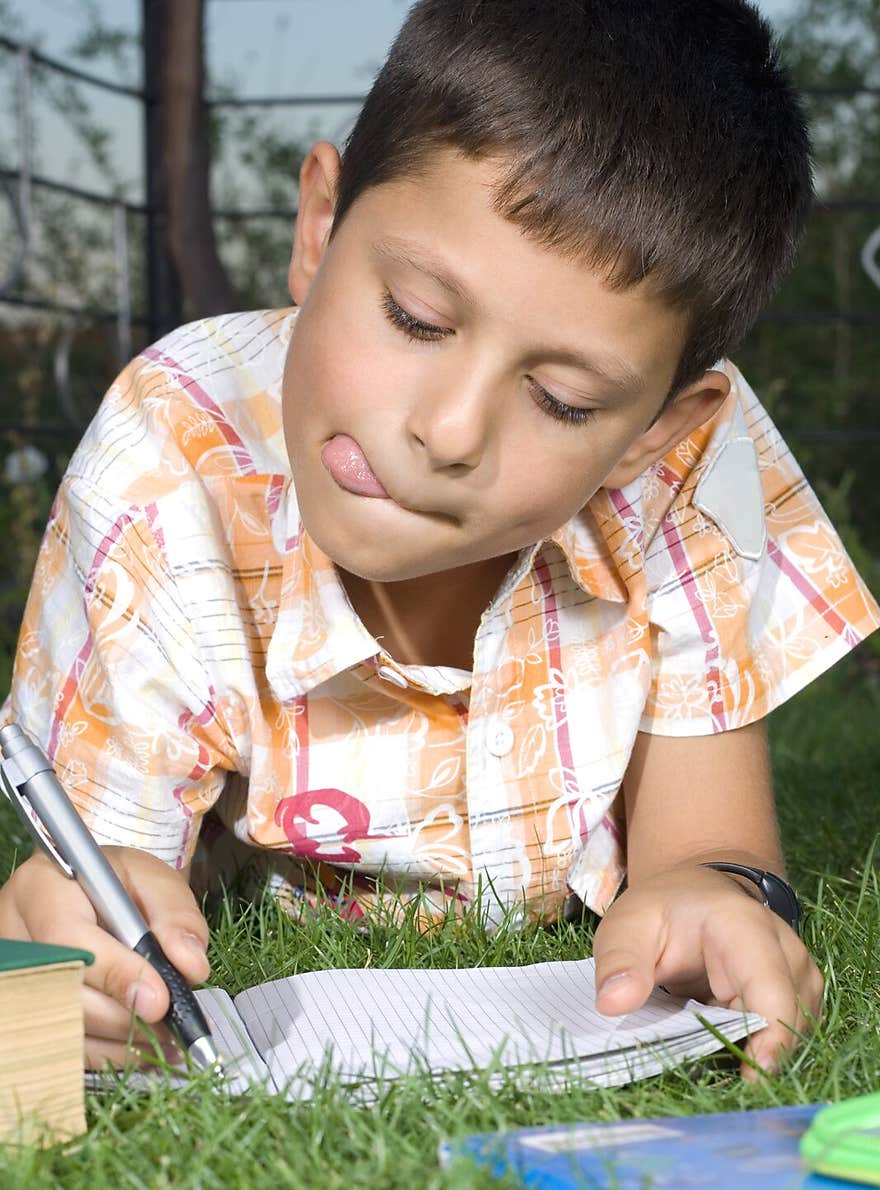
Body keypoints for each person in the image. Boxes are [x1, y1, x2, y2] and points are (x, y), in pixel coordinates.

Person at [1, 0, 877, 1078]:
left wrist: (723, 893)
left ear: (654, 427)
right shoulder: (171, 455)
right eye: (416, 317)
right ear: (318, 228)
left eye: (560, 399)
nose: (449, 430)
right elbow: (108, 871)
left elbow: (709, 845)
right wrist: (87, 932)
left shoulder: (695, 472)